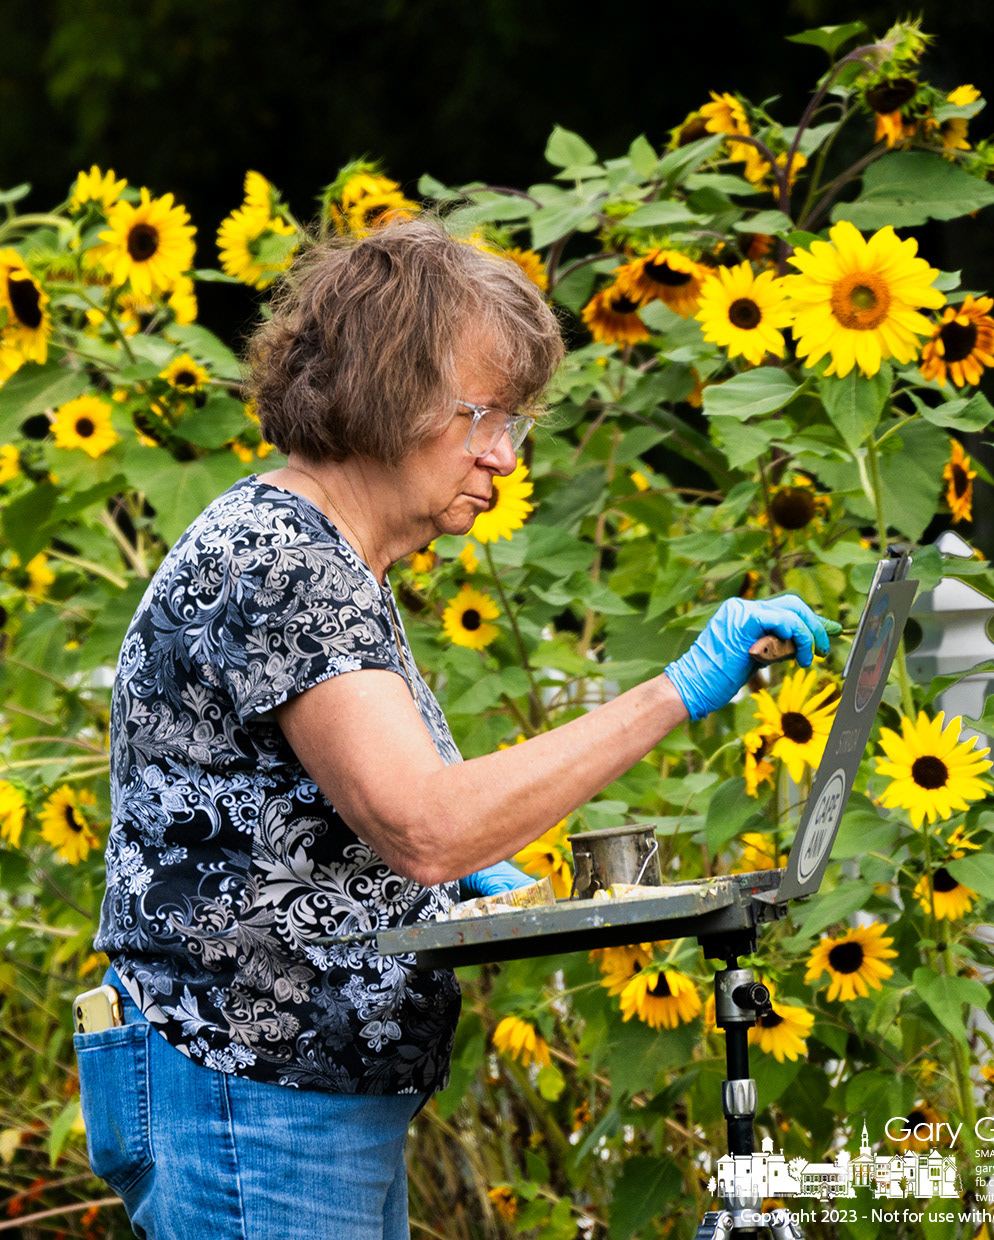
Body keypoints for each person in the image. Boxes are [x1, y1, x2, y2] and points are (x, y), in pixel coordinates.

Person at [77, 216, 830, 1239]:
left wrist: (475, 877)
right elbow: (425, 823)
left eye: (516, 423)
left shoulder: (329, 558)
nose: (505, 457)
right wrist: (677, 692)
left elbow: (343, 818)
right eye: (487, 415)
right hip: (252, 1096)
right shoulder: (284, 560)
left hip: (286, 1097)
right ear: (392, 391)